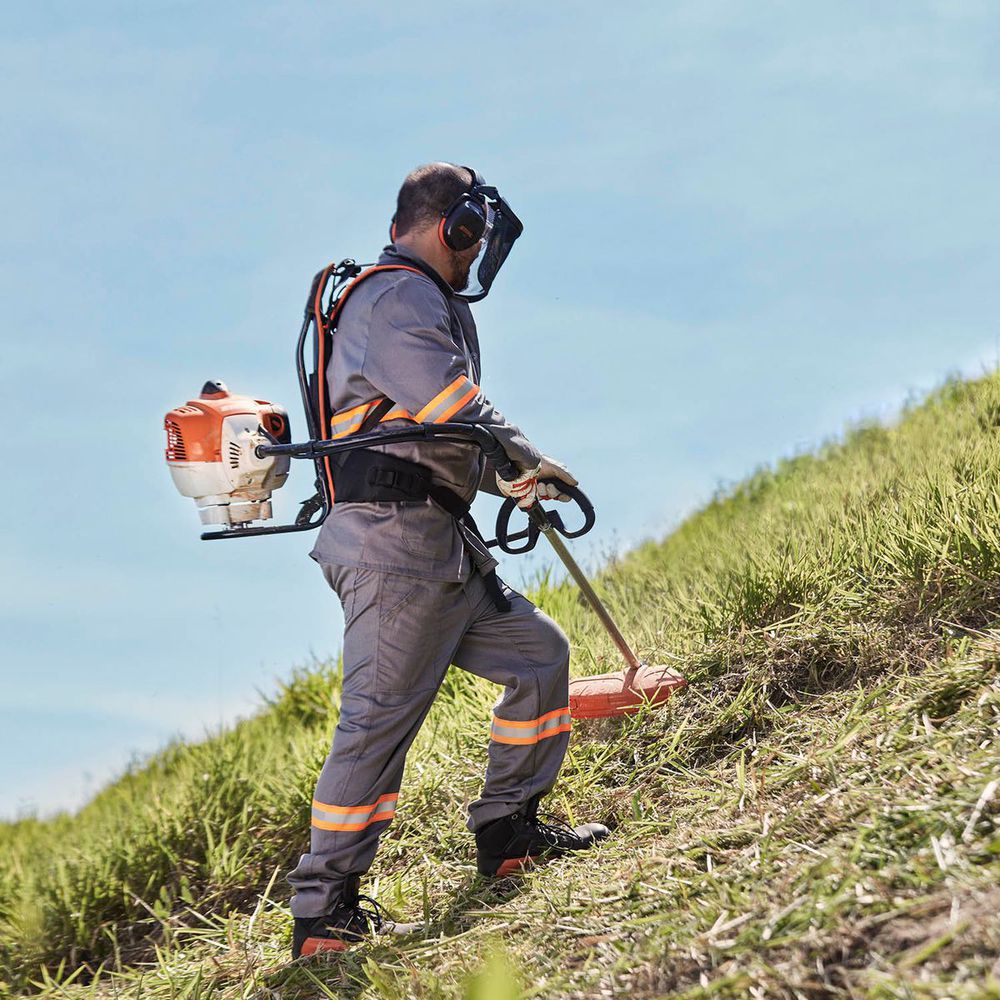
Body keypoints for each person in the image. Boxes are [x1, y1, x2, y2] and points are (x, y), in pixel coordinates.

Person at [287, 162, 608, 959]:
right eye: (471, 238)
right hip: (398, 548)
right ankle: (322, 915)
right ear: (451, 226)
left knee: (539, 658)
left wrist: (516, 477)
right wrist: (531, 457)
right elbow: (453, 407)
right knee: (376, 729)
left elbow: (449, 431)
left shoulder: (416, 301)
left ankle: (508, 832)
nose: (476, 255)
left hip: (438, 540)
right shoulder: (397, 298)